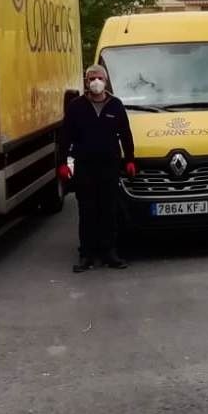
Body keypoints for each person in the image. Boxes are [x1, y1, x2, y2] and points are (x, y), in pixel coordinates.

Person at [57, 64, 135, 272]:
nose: (96, 82)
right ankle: (86, 254)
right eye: (91, 78)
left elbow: (125, 134)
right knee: (87, 211)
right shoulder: (76, 107)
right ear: (86, 82)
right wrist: (62, 163)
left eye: (99, 77)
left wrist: (130, 159)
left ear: (106, 80)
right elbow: (64, 138)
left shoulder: (116, 105)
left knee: (109, 210)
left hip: (109, 167)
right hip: (85, 168)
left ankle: (110, 252)